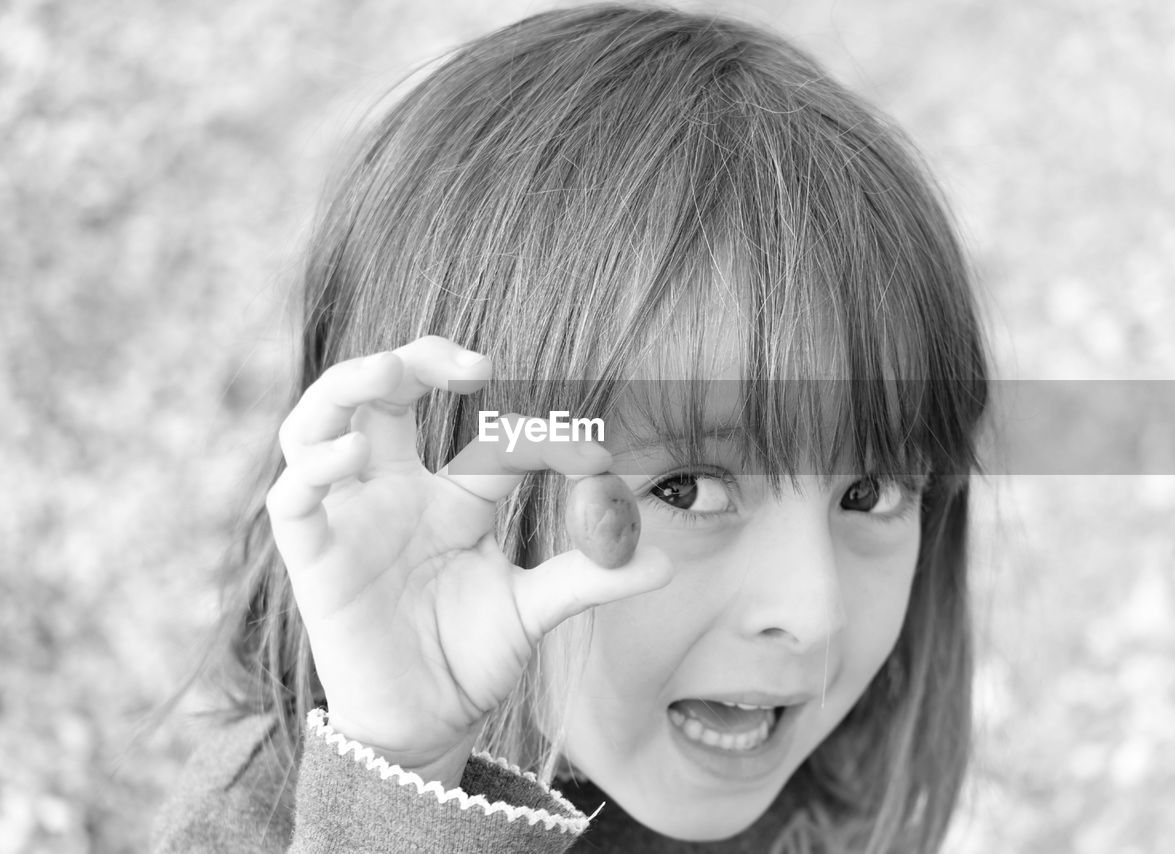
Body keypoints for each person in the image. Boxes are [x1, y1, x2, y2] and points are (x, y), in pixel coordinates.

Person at [152, 3, 990, 852]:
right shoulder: (256, 823)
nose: (813, 611)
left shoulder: (816, 817)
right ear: (453, 475)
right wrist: (403, 770)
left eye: (870, 490)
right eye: (687, 487)